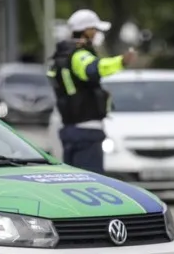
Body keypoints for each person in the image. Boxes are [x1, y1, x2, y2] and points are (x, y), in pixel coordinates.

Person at [47, 9, 137, 174]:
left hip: (71, 129)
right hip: (86, 131)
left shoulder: (62, 54)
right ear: (86, 30)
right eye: (95, 30)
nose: (96, 34)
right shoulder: (79, 55)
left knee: (75, 184)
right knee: (90, 183)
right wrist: (121, 61)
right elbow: (93, 68)